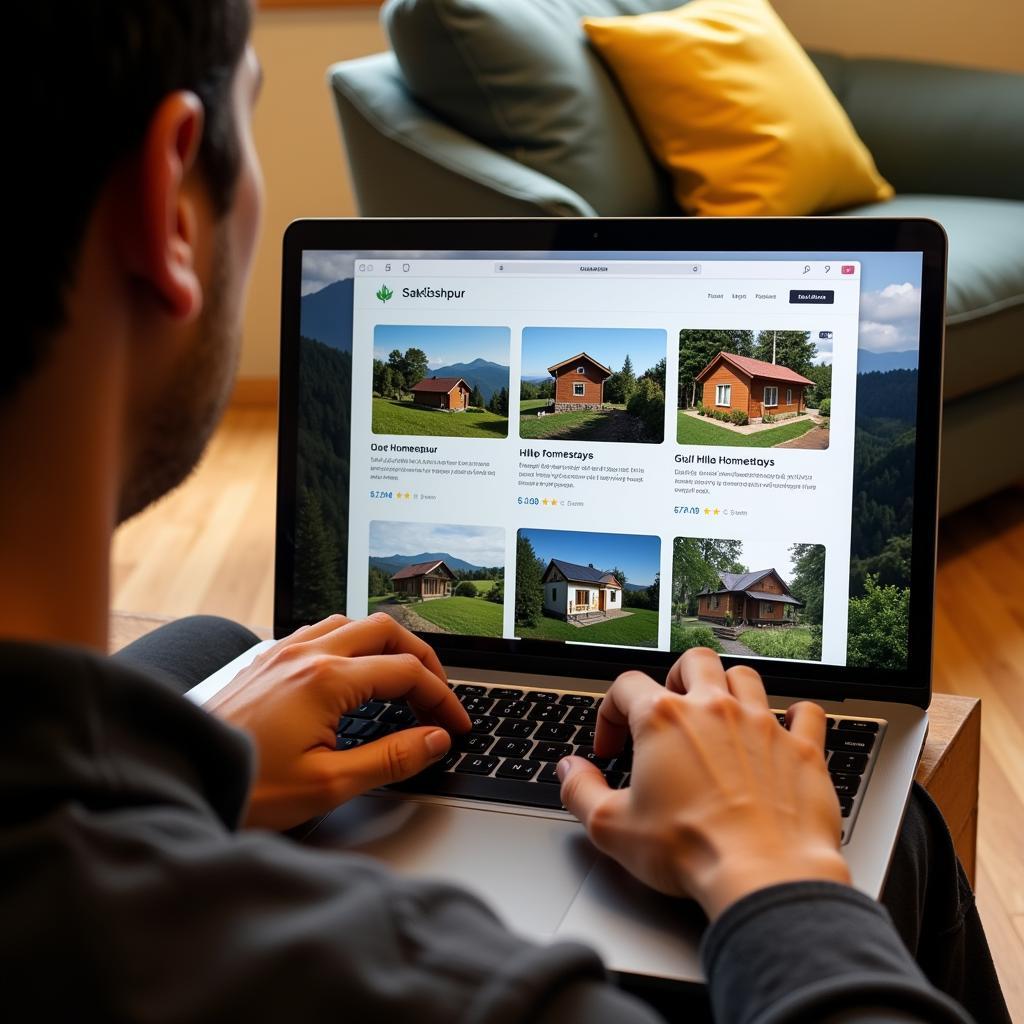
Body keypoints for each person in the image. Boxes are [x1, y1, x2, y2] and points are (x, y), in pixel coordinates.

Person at [0, 3, 1008, 1021]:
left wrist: (188, 767)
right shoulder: (472, 994)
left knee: (216, 643)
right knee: (900, 824)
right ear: (168, 203)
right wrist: (774, 872)